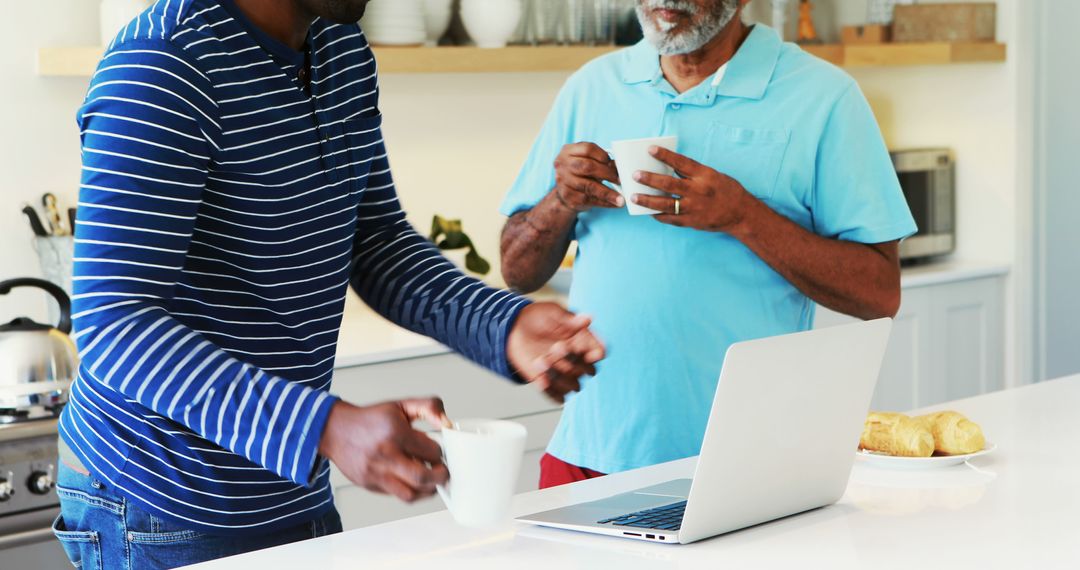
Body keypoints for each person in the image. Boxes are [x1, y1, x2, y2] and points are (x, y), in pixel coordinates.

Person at [55, 0, 606, 567]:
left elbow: (377, 243)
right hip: (161, 506)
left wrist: (506, 324)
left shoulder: (340, 50)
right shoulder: (163, 63)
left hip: (289, 485)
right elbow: (114, 323)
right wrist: (325, 425)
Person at [499, 0, 917, 488]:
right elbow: (517, 270)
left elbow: (880, 293)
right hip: (587, 453)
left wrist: (743, 215)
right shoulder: (592, 87)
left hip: (747, 467)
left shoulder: (824, 97)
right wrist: (560, 200)